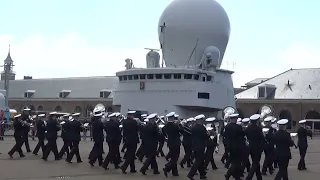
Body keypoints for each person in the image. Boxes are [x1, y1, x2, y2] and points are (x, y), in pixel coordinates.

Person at [187, 114, 208, 180]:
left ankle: (202, 174)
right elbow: (205, 137)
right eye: (202, 120)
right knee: (198, 161)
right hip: (201, 146)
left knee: (200, 161)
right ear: (200, 120)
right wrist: (209, 134)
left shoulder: (193, 127)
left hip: (194, 146)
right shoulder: (202, 128)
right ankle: (190, 174)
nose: (203, 121)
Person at [224, 113, 245, 180]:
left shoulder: (227, 126)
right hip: (237, 147)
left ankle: (237, 177)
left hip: (230, 146)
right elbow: (243, 135)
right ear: (235, 119)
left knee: (235, 162)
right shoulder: (238, 127)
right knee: (236, 163)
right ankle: (228, 174)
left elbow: (225, 136)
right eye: (236, 118)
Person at [244, 114, 265, 180]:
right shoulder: (258, 129)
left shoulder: (248, 128)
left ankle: (259, 177)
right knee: (255, 164)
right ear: (257, 121)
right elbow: (262, 138)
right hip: (258, 148)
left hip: (251, 147)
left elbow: (245, 136)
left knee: (256, 162)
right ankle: (248, 178)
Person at [163, 112, 183, 177]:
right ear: (172, 118)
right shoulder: (174, 126)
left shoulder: (166, 126)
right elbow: (181, 131)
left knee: (173, 157)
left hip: (170, 143)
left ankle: (175, 172)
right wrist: (179, 124)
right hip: (176, 143)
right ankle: (166, 168)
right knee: (175, 158)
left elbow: (163, 132)